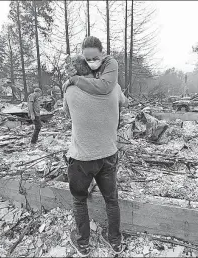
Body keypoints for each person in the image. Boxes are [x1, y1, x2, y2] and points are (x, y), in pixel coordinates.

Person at [63, 36, 128, 257]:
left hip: (81, 158)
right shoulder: (114, 87)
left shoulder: (69, 90)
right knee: (111, 200)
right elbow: (124, 103)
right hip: (108, 155)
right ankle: (115, 241)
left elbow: (67, 113)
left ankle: (83, 244)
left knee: (79, 201)